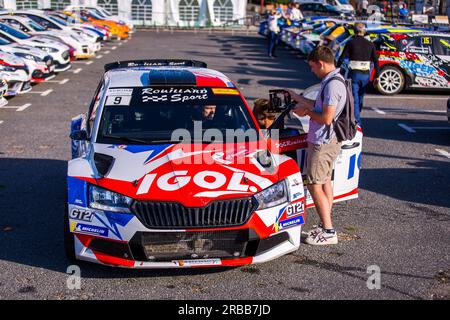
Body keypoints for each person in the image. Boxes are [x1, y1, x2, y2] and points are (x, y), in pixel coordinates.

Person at [286, 46, 346, 246]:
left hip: (323, 141)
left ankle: (328, 230)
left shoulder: (332, 86)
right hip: (327, 140)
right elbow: (318, 105)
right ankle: (325, 224)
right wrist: (296, 97)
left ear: (321, 63)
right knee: (325, 181)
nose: (312, 71)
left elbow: (326, 118)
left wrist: (305, 113)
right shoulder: (333, 81)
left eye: (313, 67)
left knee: (313, 183)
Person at [337, 22, 379, 126]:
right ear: (364, 31)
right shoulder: (370, 44)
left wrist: (337, 70)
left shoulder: (351, 43)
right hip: (366, 74)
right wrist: (376, 76)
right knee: (360, 97)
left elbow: (342, 58)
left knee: (354, 98)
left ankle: (357, 121)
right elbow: (376, 60)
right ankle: (357, 115)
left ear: (354, 31)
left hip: (354, 73)